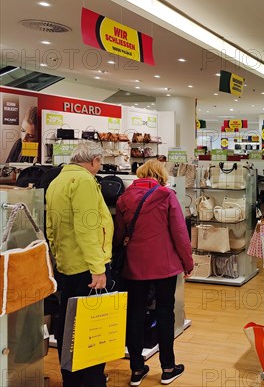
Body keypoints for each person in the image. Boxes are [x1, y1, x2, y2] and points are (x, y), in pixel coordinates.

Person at [113, 159, 193, 386]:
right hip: (164, 266)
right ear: (160, 175)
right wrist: (188, 263)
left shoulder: (124, 198)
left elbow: (119, 235)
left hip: (133, 266)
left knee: (135, 314)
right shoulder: (166, 196)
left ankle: (137, 369)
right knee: (165, 313)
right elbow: (179, 233)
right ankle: (168, 367)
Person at [45, 140, 113, 387]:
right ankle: (91, 379)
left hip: (67, 264)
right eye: (100, 163)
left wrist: (56, 258)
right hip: (86, 268)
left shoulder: (57, 181)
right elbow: (87, 228)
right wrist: (98, 268)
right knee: (91, 326)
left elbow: (51, 227)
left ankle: (71, 377)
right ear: (94, 161)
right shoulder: (83, 181)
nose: (100, 167)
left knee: (68, 322)